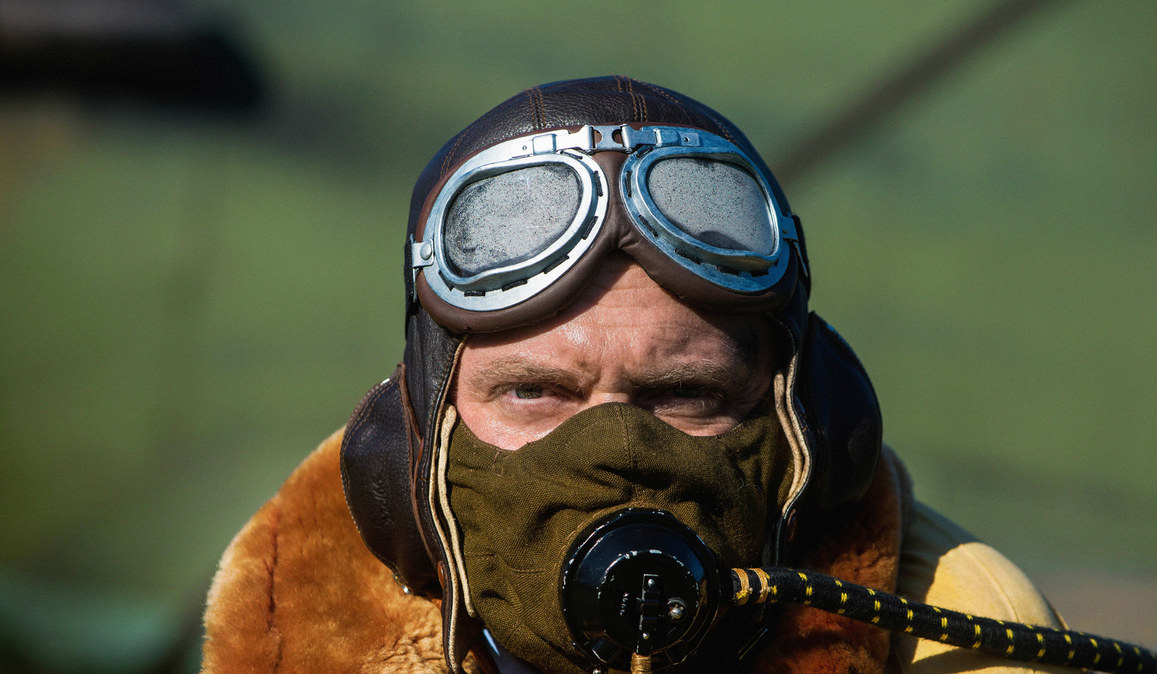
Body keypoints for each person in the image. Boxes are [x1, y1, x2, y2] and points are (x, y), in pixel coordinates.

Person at [201, 76, 1075, 673]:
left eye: (686, 394)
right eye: (534, 392)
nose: (616, 450)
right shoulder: (285, 621)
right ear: (415, 441)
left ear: (811, 428)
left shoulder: (969, 636)